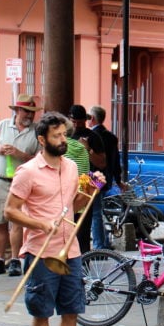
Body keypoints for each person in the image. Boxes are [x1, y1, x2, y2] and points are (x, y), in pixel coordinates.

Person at [5, 111, 93, 326]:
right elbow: (10, 211)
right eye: (57, 135)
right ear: (42, 139)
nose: (62, 139)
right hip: (41, 251)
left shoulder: (71, 167)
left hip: (71, 248)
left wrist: (91, 189)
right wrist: (41, 224)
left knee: (71, 310)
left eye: (64, 134)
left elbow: (75, 206)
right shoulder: (27, 171)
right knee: (41, 310)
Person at [0, 94, 42, 277]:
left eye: (32, 112)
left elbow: (39, 159)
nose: (30, 115)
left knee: (16, 223)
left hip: (22, 182)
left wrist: (20, 154)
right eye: (26, 111)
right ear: (17, 111)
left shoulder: (36, 131)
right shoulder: (1, 127)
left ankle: (15, 260)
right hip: (0, 180)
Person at [68, 105, 103, 254]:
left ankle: (83, 264)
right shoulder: (63, 136)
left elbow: (101, 163)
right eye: (73, 122)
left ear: (85, 120)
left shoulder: (93, 137)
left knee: (83, 229)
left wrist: (87, 149)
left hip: (86, 188)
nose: (76, 125)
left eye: (80, 122)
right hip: (66, 188)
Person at [88, 105, 119, 250]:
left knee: (95, 212)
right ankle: (104, 241)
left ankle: (99, 244)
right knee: (99, 211)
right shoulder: (111, 136)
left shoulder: (90, 136)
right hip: (107, 178)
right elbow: (116, 160)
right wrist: (117, 179)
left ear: (92, 119)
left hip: (93, 177)